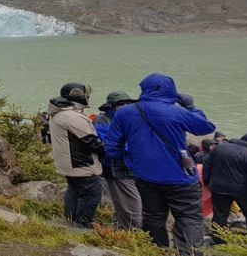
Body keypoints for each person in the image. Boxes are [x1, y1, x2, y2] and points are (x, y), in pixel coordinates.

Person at [104, 73, 216, 256]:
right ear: (171, 90)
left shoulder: (125, 112)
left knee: (153, 217)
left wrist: (119, 163)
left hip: (144, 176)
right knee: (188, 217)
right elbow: (206, 127)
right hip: (181, 176)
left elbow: (113, 145)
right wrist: (191, 106)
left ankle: (157, 250)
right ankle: (189, 252)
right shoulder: (177, 112)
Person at [47, 82, 105, 228]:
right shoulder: (73, 117)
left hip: (69, 164)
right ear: (78, 95)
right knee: (91, 195)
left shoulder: (58, 113)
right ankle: (83, 225)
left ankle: (70, 223)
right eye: (87, 95)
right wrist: (108, 152)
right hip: (82, 164)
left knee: (73, 192)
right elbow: (92, 142)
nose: (89, 98)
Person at [93, 91, 143, 230]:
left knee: (124, 201)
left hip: (133, 166)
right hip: (115, 167)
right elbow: (110, 143)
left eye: (128, 103)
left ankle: (120, 228)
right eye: (121, 103)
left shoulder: (130, 119)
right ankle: (133, 232)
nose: (126, 105)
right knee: (131, 201)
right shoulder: (101, 121)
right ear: (111, 106)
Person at [202, 132, 247, 236]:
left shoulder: (220, 148)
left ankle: (218, 240)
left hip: (218, 188)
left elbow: (207, 164)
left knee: (220, 215)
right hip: (242, 191)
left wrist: (207, 181)